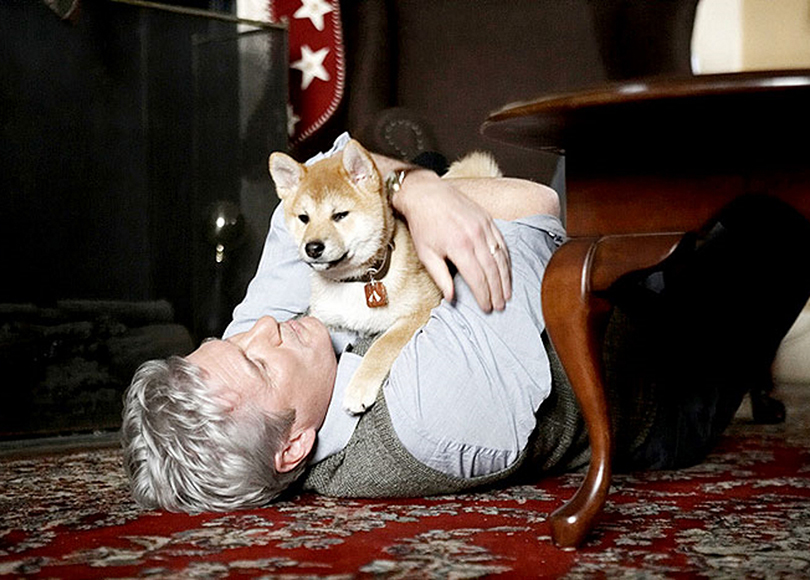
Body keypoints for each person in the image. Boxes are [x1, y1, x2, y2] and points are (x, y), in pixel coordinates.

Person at [121, 133, 810, 513]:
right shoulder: (428, 416)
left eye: (227, 338)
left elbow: (304, 195)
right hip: (659, 382)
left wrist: (407, 185)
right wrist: (412, 191)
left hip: (589, 308)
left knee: (423, 178)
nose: (261, 329)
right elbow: (533, 207)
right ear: (294, 448)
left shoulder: (268, 354)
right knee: (770, 224)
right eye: (255, 359)